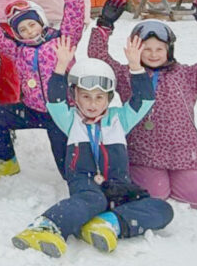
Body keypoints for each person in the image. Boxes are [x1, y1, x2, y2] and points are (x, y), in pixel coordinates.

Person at [12, 37, 173, 257]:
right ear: (75, 96)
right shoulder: (70, 120)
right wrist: (60, 67)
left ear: (109, 98)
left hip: (119, 186)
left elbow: (144, 100)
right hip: (85, 183)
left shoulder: (120, 119)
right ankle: (46, 226)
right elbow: (55, 100)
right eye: (85, 97)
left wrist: (136, 67)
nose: (92, 104)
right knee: (94, 199)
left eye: (99, 97)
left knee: (162, 208)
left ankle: (107, 223)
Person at [90, 0, 197, 209]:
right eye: (146, 49)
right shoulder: (126, 75)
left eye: (159, 49)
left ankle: (188, 180)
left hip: (182, 151)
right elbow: (98, 57)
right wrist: (104, 25)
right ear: (136, 50)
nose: (153, 54)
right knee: (154, 195)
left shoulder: (187, 76)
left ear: (169, 50)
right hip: (144, 153)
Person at [0, 0, 88, 179]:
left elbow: (73, 20)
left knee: (68, 170)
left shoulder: (62, 40)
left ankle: (82, 182)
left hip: (60, 113)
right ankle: (7, 161)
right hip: (32, 110)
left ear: (41, 21)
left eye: (31, 25)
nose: (29, 32)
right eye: (22, 29)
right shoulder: (18, 49)